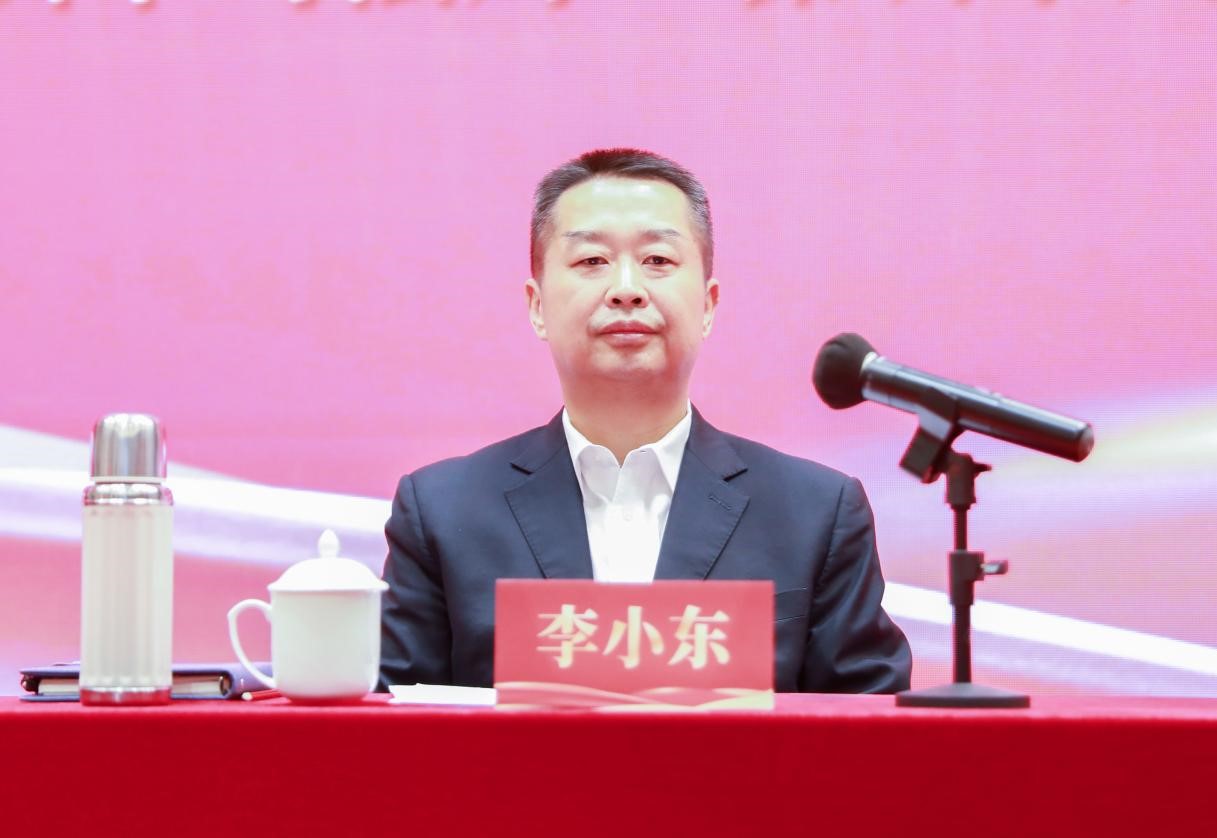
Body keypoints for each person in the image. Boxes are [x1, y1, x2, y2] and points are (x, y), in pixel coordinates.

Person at [378, 148, 910, 693]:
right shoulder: (443, 512)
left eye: (657, 259)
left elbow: (870, 724)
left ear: (708, 304)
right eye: (592, 261)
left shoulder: (816, 513)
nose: (626, 288)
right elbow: (387, 723)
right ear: (537, 306)